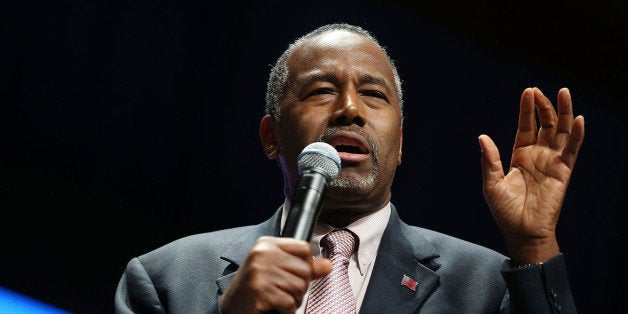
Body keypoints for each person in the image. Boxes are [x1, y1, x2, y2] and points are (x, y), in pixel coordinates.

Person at [115, 23, 585, 313]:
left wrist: (534, 244)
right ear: (271, 136)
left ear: (400, 146)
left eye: (374, 94)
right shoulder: (166, 281)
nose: (349, 109)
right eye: (321, 90)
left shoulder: (486, 290)